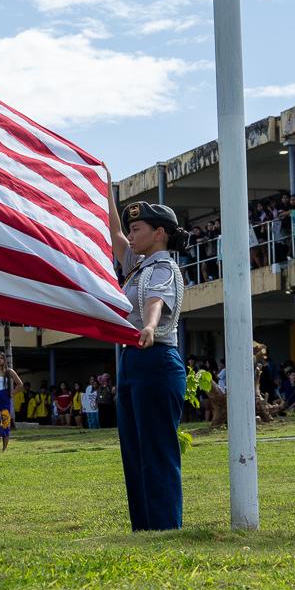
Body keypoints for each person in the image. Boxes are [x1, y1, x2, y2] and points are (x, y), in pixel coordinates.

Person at [112, 199, 187, 531]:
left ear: (159, 234)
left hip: (156, 358)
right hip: (132, 360)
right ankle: (143, 528)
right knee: (134, 451)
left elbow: (155, 301)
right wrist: (104, 184)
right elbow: (113, 233)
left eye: (137, 229)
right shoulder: (137, 266)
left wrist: (150, 326)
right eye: (130, 229)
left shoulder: (163, 268)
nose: (130, 235)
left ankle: (165, 527)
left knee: (156, 450)